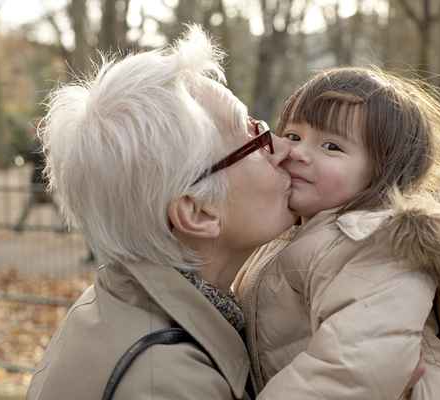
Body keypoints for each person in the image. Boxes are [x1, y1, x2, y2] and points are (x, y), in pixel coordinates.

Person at [234, 67, 440, 399]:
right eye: (294, 136)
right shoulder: (298, 232)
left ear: (382, 175)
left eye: (331, 146)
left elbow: (351, 372)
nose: (298, 152)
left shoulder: (371, 246)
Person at [26, 26, 297, 400]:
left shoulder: (116, 307)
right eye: (255, 134)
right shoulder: (167, 382)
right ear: (198, 211)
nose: (283, 148)